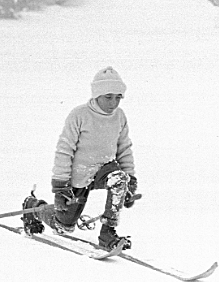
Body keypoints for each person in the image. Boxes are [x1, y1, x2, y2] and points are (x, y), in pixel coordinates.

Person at [23, 66, 138, 250]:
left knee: (120, 179)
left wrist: (130, 181)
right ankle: (35, 207)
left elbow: (124, 148)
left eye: (118, 97)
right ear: (97, 95)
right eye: (109, 97)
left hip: (105, 169)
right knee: (64, 226)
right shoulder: (79, 115)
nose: (114, 103)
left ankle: (108, 234)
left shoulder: (120, 117)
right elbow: (64, 150)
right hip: (79, 174)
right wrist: (61, 187)